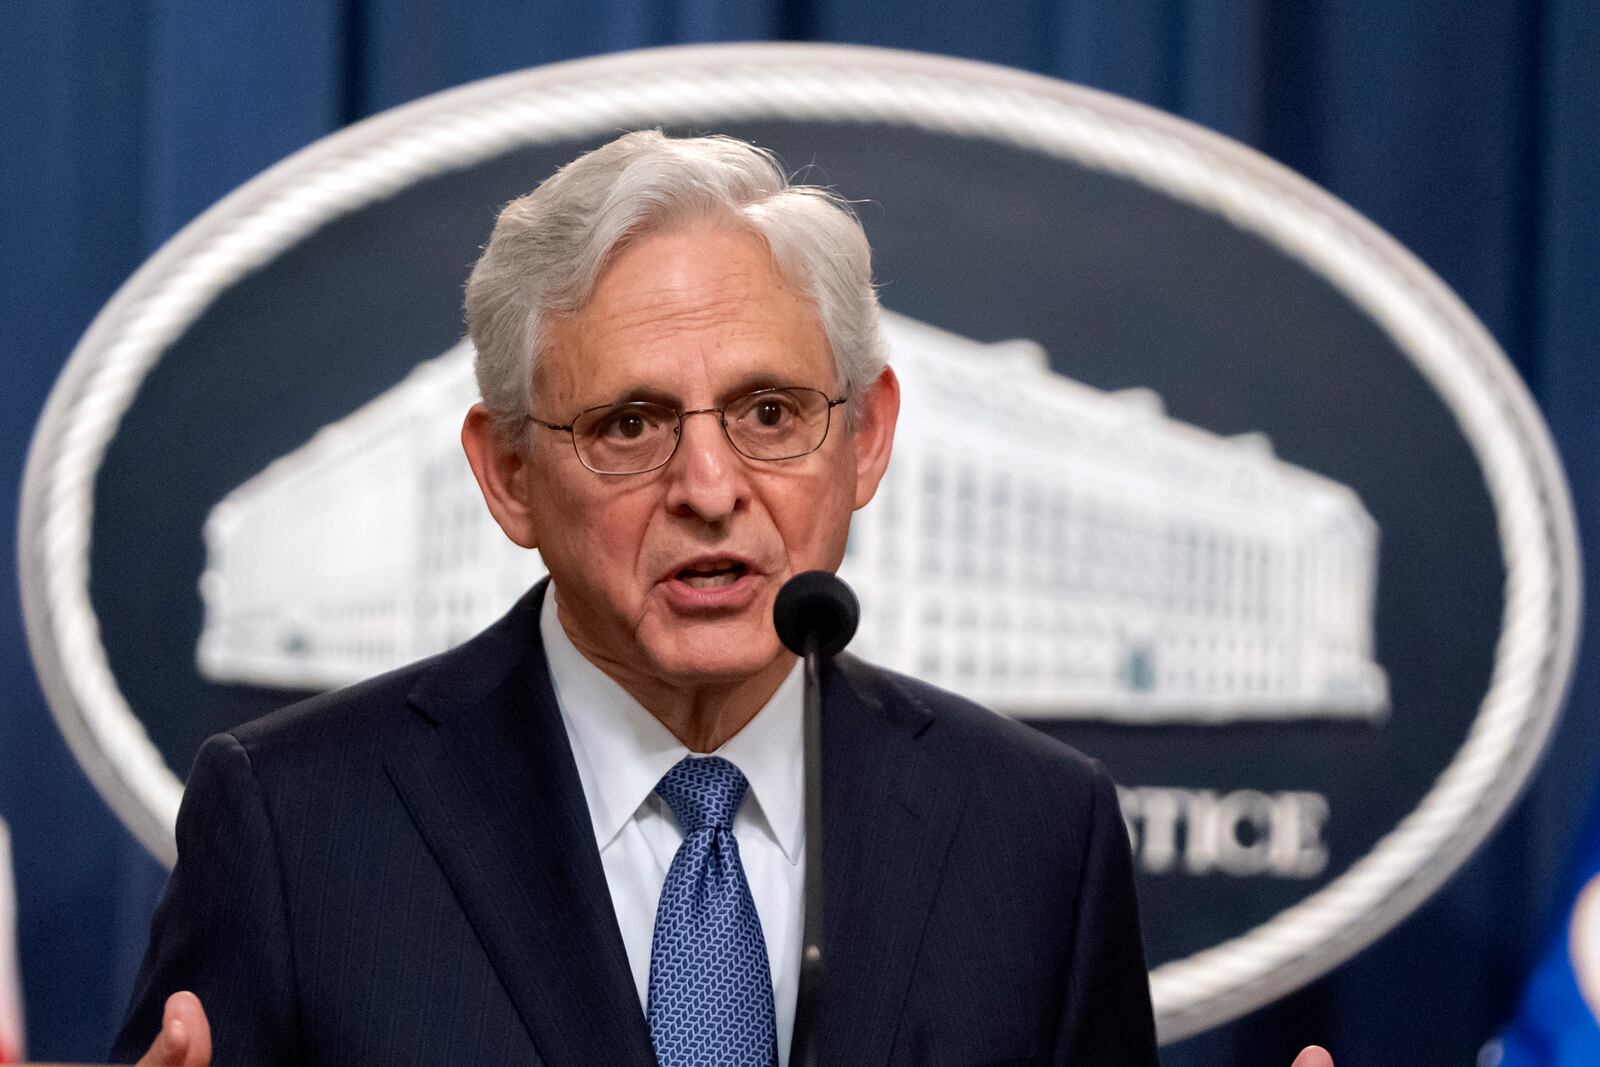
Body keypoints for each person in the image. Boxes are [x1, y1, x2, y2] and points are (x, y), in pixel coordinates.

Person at [115, 131, 1332, 1067]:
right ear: (509, 476)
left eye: (769, 413)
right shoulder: (297, 826)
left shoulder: (1034, 834)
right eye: (629, 423)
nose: (710, 487)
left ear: (866, 440)